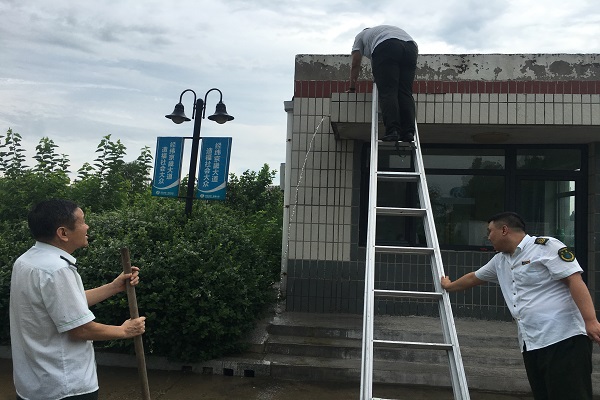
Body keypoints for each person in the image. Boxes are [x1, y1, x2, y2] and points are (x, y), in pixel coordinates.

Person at [441, 211, 600, 400]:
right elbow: (473, 278)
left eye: (490, 231)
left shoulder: (546, 247)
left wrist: (590, 321)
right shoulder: (500, 261)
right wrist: (449, 286)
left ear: (504, 230)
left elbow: (575, 281)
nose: (488, 237)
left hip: (564, 339)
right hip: (531, 343)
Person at [9, 199, 147, 400]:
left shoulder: (27, 261)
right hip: (64, 387)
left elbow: (65, 306)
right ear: (63, 233)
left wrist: (114, 287)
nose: (87, 226)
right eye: (82, 221)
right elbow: (80, 329)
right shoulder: (57, 270)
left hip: (33, 384)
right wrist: (124, 330)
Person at [348, 25, 419, 142]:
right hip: (411, 48)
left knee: (388, 90)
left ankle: (393, 130)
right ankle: (408, 132)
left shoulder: (360, 36)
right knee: (405, 92)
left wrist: (352, 88)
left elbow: (355, 62)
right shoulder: (381, 31)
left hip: (388, 46)